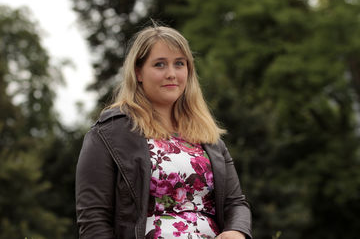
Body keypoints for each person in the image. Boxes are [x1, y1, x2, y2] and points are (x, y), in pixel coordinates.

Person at [75, 24, 252, 239]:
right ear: (138, 72)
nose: (171, 74)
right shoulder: (108, 134)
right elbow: (94, 221)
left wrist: (237, 231)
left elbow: (235, 203)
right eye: (160, 65)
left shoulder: (205, 135)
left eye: (179, 64)